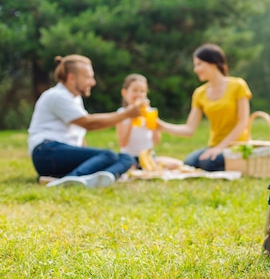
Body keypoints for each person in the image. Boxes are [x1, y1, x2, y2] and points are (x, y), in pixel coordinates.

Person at [28, 54, 144, 188]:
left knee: (126, 158)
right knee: (108, 155)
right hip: (47, 152)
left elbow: (79, 134)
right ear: (72, 78)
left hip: (62, 155)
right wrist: (126, 114)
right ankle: (72, 179)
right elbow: (88, 123)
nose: (93, 82)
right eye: (88, 77)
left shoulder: (75, 98)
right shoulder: (57, 96)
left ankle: (91, 179)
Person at [157, 43, 252, 171]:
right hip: (214, 145)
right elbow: (189, 129)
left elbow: (242, 123)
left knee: (209, 163)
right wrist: (161, 125)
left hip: (237, 145)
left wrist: (220, 148)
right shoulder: (199, 93)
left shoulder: (238, 86)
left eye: (199, 64)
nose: (195, 69)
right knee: (189, 162)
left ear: (213, 63)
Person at [115, 73, 183, 170]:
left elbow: (156, 141)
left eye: (142, 91)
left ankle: (147, 167)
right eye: (135, 90)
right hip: (128, 158)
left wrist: (152, 123)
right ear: (125, 93)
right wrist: (131, 118)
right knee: (126, 168)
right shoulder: (121, 114)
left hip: (149, 157)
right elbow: (122, 143)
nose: (139, 94)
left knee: (177, 164)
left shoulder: (150, 112)